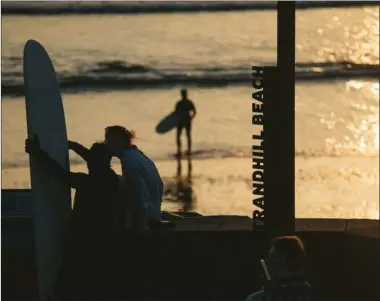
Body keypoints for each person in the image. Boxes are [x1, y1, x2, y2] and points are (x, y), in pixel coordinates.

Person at [25, 135, 120, 235]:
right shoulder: (112, 178)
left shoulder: (87, 182)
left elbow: (58, 172)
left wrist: (37, 152)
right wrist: (73, 145)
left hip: (87, 234)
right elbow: (94, 158)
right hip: (107, 231)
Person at [104, 125, 163, 232]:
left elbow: (141, 196)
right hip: (154, 212)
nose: (105, 145)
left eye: (108, 141)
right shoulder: (137, 155)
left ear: (119, 143)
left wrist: (143, 227)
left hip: (146, 219)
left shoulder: (129, 163)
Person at [245, 236, 313, 301]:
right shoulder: (307, 290)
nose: (268, 261)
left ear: (284, 259)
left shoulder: (260, 297)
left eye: (272, 256)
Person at [175, 88, 196, 156]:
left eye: (184, 94)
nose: (183, 95)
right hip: (181, 121)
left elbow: (194, 111)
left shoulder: (188, 103)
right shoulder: (179, 103)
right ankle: (179, 150)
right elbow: (175, 113)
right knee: (178, 136)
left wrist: (191, 118)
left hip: (186, 121)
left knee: (188, 135)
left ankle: (189, 150)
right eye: (183, 94)